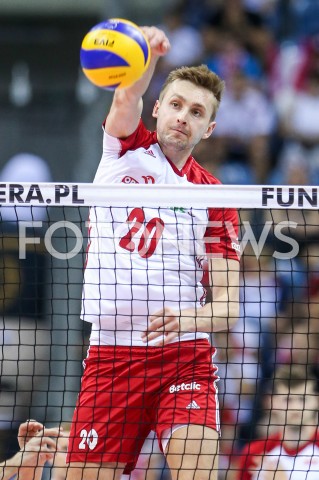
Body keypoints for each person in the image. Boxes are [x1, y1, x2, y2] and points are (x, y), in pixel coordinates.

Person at [66, 25, 240, 480]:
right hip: (110, 355)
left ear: (209, 128)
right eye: (177, 105)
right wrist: (144, 55)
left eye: (197, 112)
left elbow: (229, 307)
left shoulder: (214, 197)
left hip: (183, 356)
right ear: (159, 108)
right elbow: (125, 100)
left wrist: (188, 319)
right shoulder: (124, 151)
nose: (184, 117)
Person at [234, 364, 319, 480]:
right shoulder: (253, 453)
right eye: (287, 400)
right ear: (272, 402)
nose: (296, 408)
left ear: (316, 401)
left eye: (302, 399)